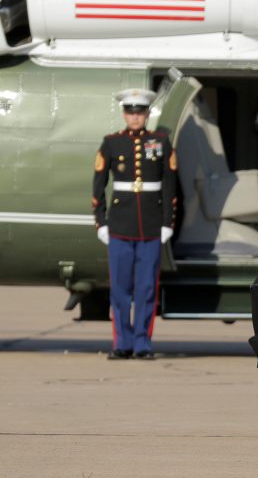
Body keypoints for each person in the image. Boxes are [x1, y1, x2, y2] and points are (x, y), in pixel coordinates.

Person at [92, 88, 177, 360]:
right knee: (120, 289)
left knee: (147, 289)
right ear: (124, 114)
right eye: (130, 111)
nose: (135, 116)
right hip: (119, 225)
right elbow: (98, 185)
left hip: (151, 225)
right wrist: (100, 222)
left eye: (140, 111)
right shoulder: (111, 142)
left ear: (147, 114)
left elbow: (170, 186)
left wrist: (167, 221)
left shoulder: (161, 141)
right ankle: (122, 343)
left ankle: (142, 343)